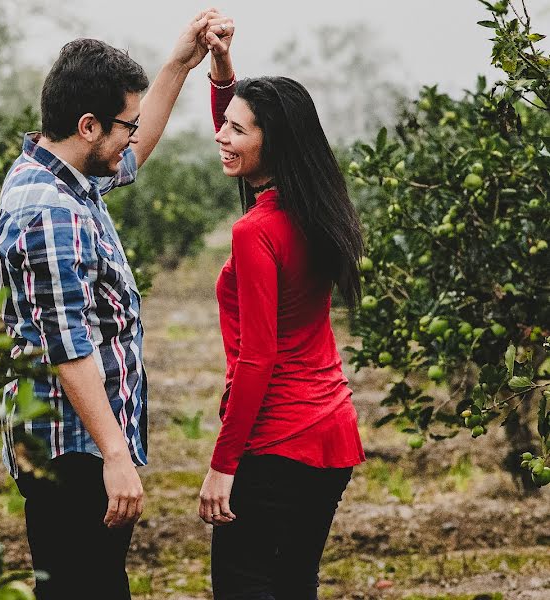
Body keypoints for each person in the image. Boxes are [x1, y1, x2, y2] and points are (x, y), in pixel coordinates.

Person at [0, 13, 214, 600]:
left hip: (82, 439)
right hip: (73, 451)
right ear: (88, 125)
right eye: (123, 126)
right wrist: (115, 455)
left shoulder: (66, 176)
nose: (131, 139)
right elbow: (67, 342)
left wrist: (180, 64)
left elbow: (135, 151)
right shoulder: (52, 209)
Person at [195, 12, 367, 600]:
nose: (223, 135)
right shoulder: (315, 210)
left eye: (238, 130)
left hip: (276, 442)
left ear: (272, 143)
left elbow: (256, 359)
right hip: (330, 433)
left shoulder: (255, 232)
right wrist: (221, 69)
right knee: (294, 585)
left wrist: (224, 463)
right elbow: (239, 126)